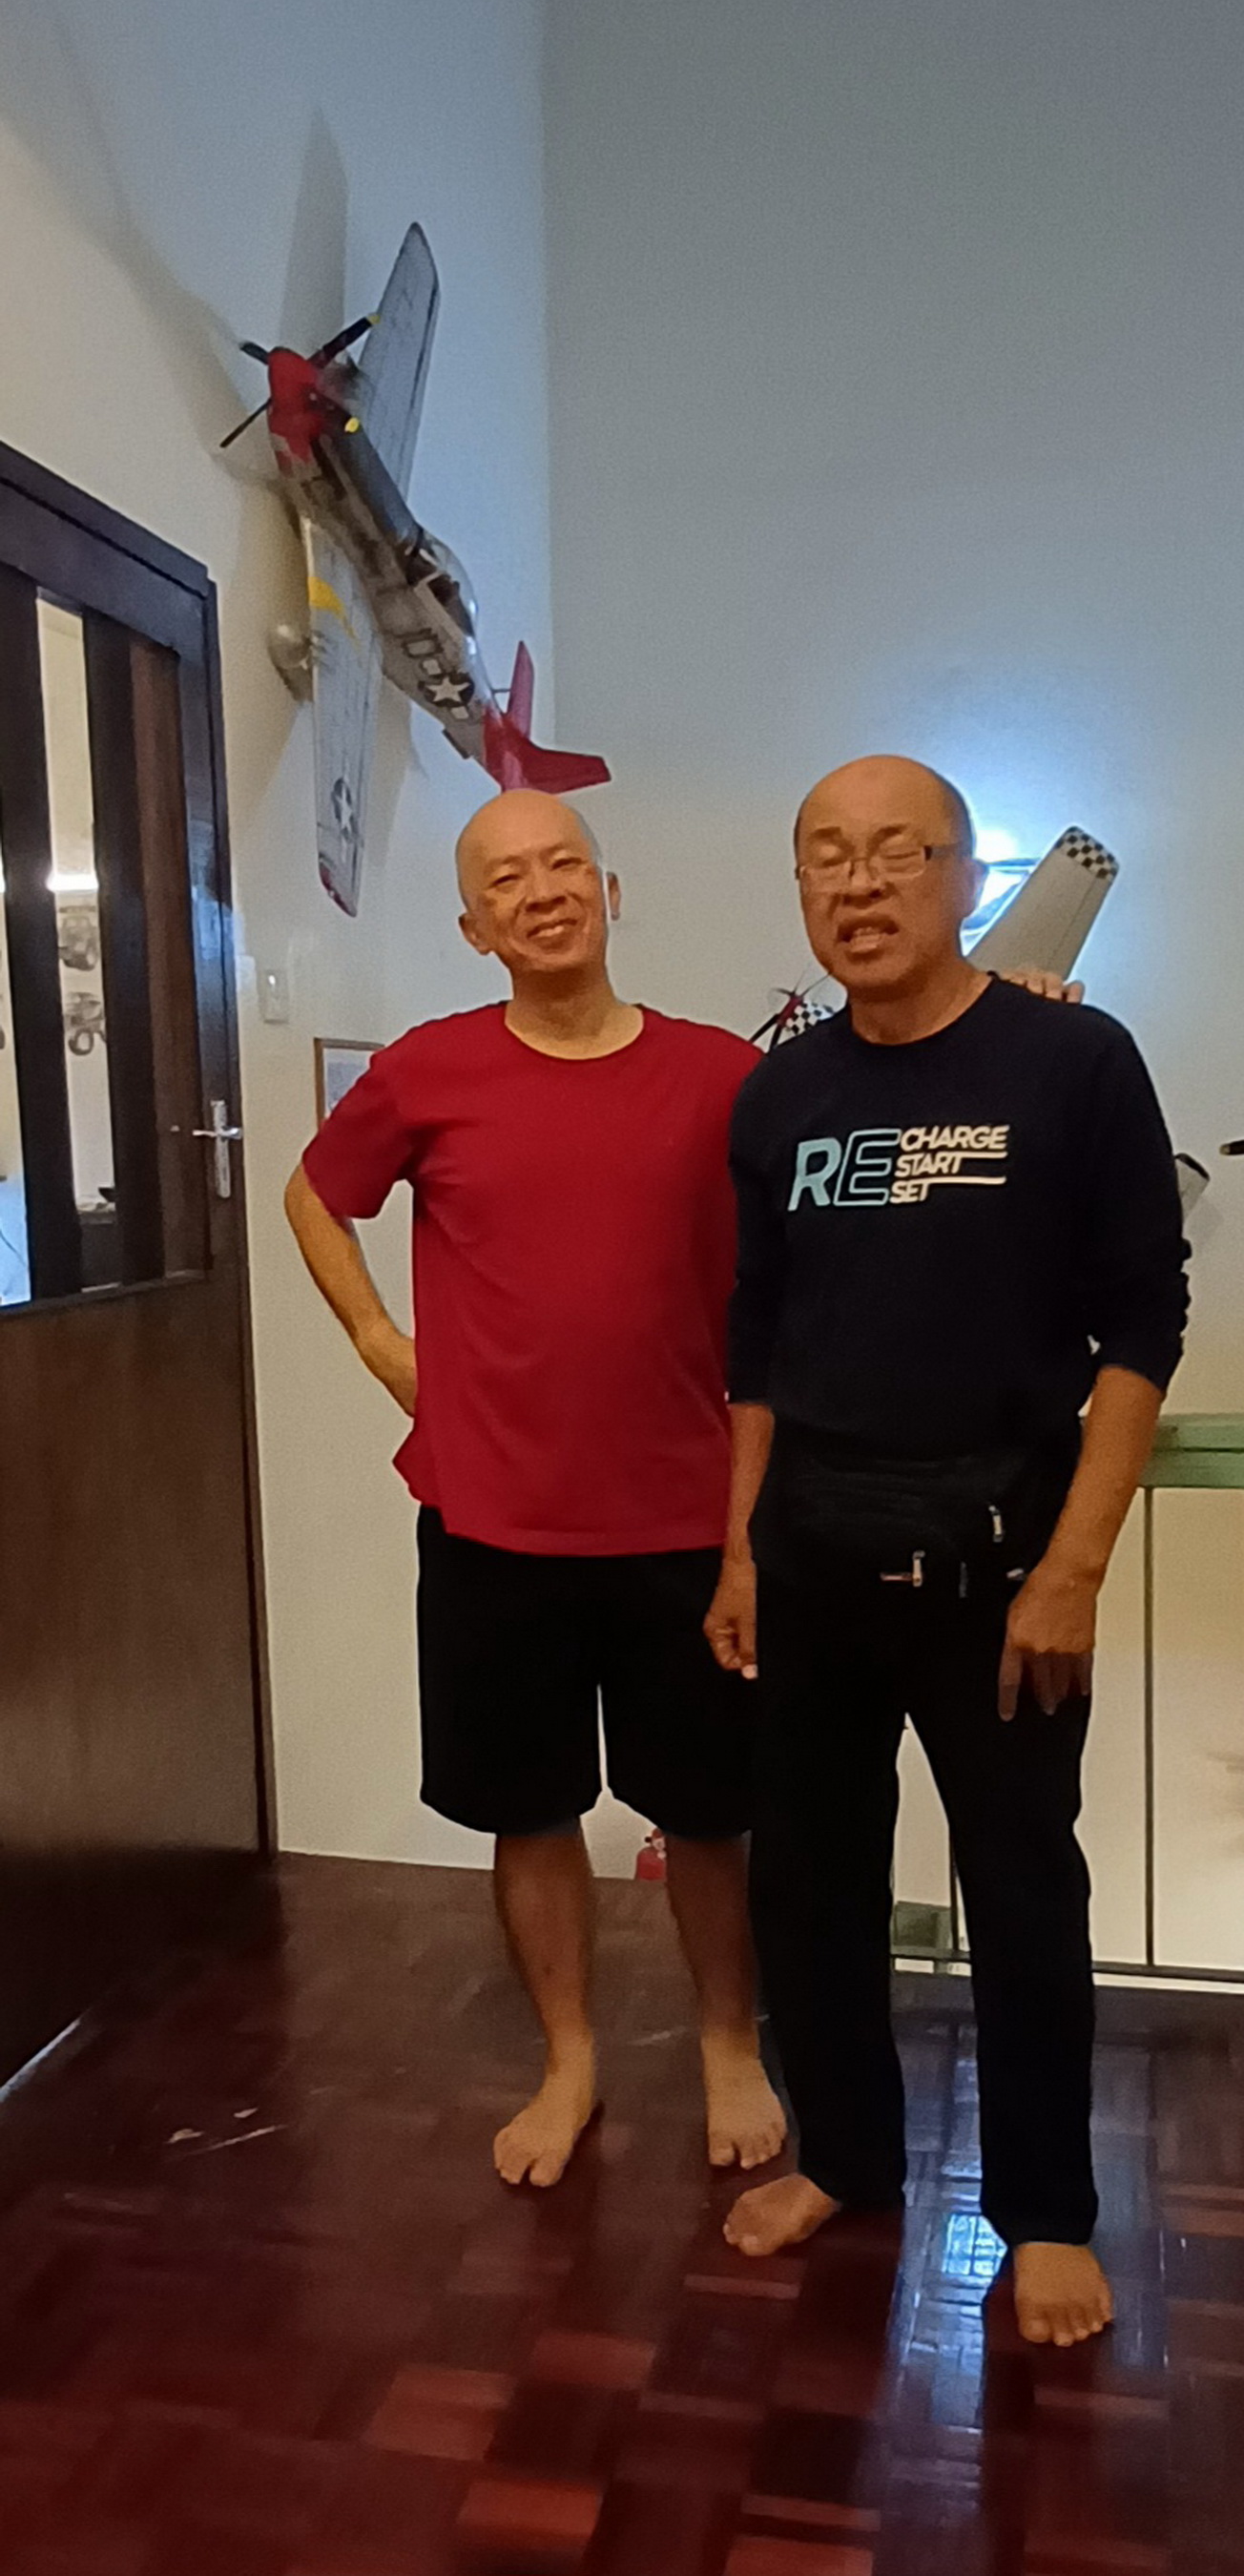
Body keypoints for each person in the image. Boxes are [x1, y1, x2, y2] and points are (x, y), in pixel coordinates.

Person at [707, 754, 1189, 2348]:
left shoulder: (1075, 1061)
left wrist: (1077, 1565)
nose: (858, 883)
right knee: (809, 1888)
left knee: (1024, 1891)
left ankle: (1044, 2212)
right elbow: (758, 1346)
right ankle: (846, 2155)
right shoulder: (779, 1097)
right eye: (824, 855)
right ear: (801, 886)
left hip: (1001, 1568)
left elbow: (1145, 1325)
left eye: (896, 852)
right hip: (812, 1553)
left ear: (966, 874)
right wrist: (739, 1552)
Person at [283, 788, 783, 2192]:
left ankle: (728, 2045)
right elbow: (315, 1195)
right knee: (529, 1804)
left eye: (565, 864)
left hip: (686, 1520)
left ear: (610, 892)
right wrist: (382, 1344)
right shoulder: (428, 1070)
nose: (542, 891)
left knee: (710, 1811)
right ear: (473, 927)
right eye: (506, 879)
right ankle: (568, 2059)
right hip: (490, 1518)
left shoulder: (722, 1077)